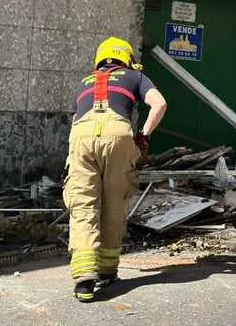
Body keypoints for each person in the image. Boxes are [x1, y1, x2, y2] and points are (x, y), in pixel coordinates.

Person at [64, 37, 168, 302]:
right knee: (114, 203)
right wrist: (143, 136)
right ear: (127, 59)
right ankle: (107, 270)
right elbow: (159, 104)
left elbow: (76, 116)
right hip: (118, 135)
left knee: (83, 205)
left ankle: (84, 280)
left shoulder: (84, 82)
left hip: (81, 136)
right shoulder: (135, 76)